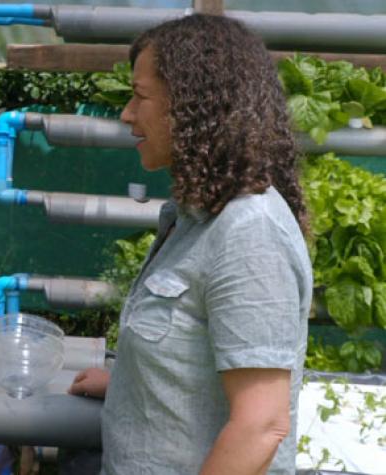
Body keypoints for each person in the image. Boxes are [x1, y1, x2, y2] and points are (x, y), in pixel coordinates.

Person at [68, 14, 312, 475]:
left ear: (193, 104)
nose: (127, 114)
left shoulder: (249, 233)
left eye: (140, 97)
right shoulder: (196, 217)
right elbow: (194, 353)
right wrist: (128, 386)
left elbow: (261, 426)